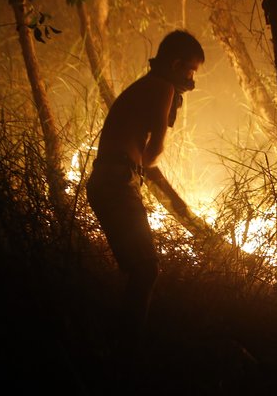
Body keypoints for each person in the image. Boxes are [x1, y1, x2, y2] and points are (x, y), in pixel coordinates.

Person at [86, 29, 204, 346]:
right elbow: (152, 155)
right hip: (116, 182)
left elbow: (143, 164)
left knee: (140, 268)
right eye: (191, 71)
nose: (192, 79)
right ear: (176, 64)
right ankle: (125, 349)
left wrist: (181, 209)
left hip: (107, 181)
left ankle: (115, 341)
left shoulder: (146, 86)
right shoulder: (163, 87)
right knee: (146, 270)